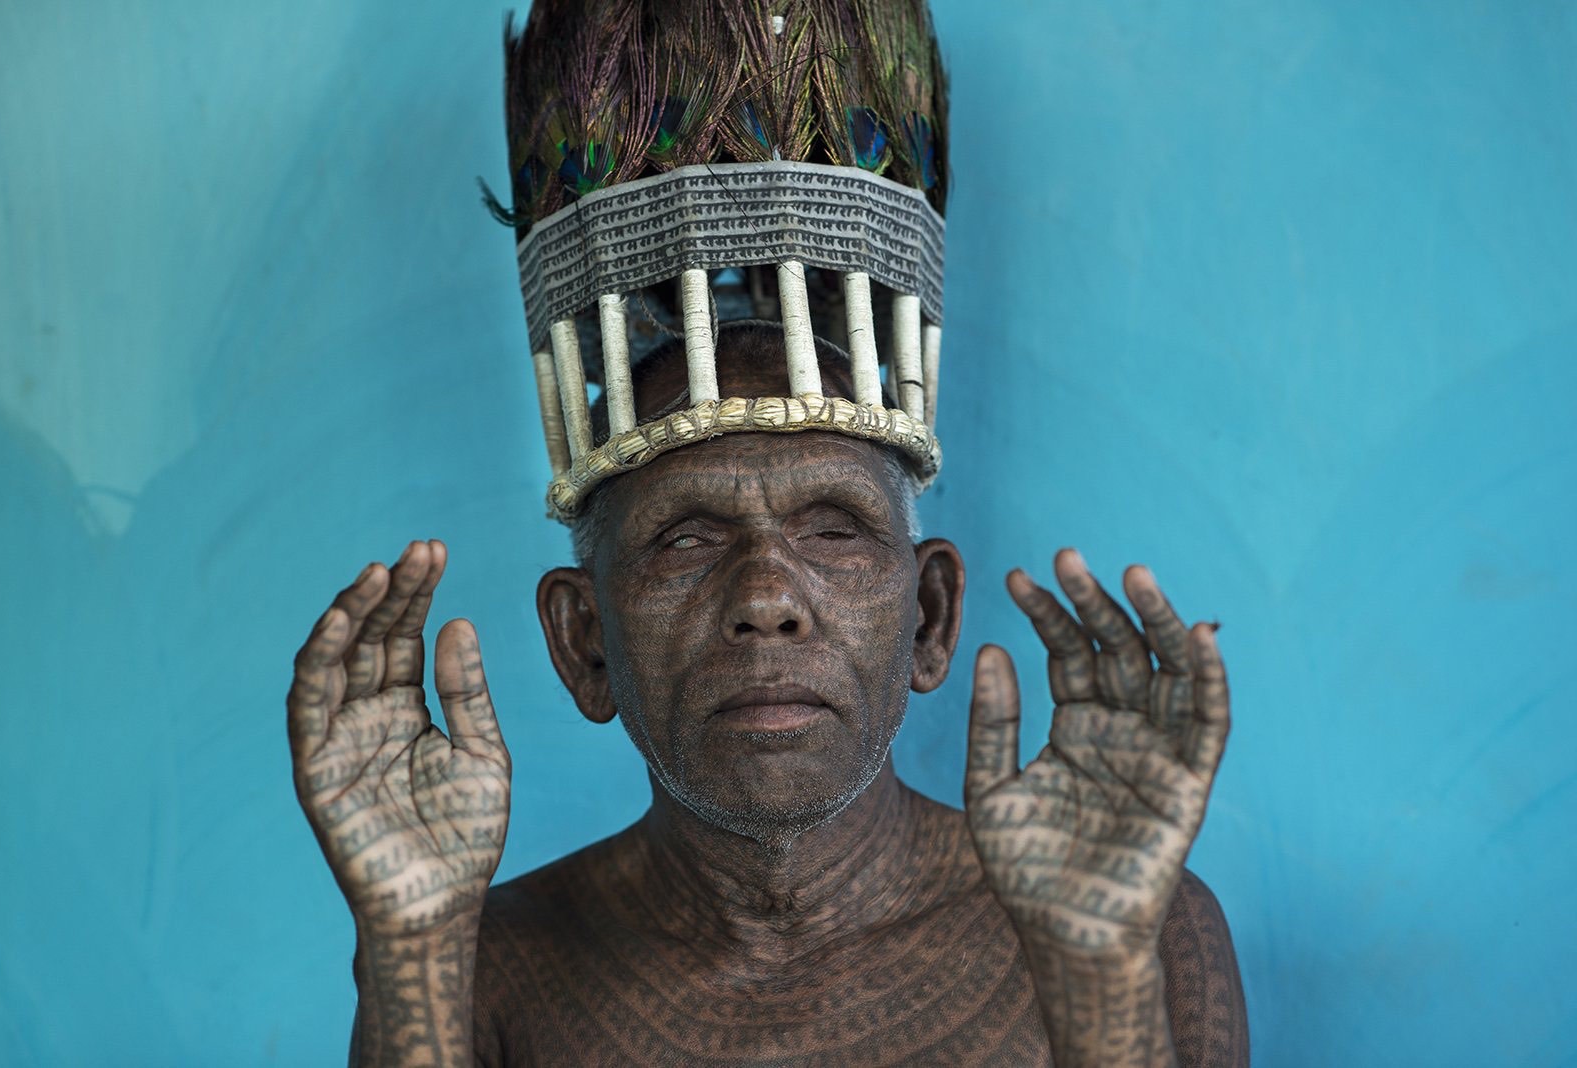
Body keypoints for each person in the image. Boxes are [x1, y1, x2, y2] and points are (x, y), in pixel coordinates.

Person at [286, 4, 1248, 1065]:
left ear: (929, 616)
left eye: (833, 530)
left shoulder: (1132, 919)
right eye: (684, 540)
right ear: (583, 641)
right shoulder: (480, 969)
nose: (765, 598)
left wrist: (1096, 978)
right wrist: (412, 948)